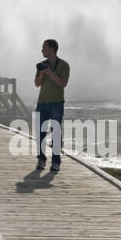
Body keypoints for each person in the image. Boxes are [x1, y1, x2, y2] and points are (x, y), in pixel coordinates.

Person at [33, 38, 69, 172]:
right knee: (40, 133)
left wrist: (50, 74)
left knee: (56, 133)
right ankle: (41, 160)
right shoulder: (41, 65)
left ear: (52, 49)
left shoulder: (64, 65)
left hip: (56, 103)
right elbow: (37, 84)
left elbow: (63, 83)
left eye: (44, 47)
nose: (42, 50)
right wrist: (42, 74)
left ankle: (56, 162)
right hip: (42, 103)